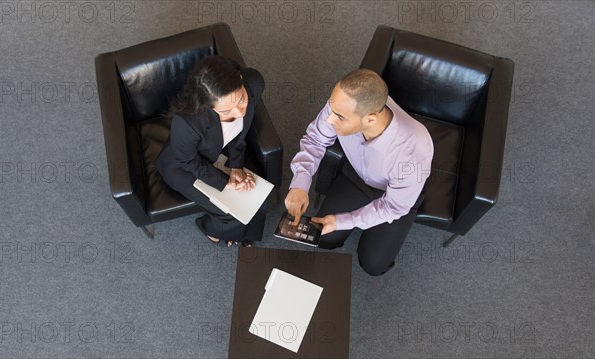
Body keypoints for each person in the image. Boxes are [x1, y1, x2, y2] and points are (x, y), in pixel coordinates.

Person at [285, 69, 434, 276]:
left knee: (373, 265)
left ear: (370, 120)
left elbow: (392, 207)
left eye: (339, 118)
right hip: (356, 176)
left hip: (393, 197)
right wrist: (301, 182)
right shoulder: (341, 105)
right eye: (332, 108)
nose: (329, 120)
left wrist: (343, 221)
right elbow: (315, 140)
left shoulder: (413, 153)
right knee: (322, 237)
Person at [156, 55, 266, 247]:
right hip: (182, 166)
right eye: (226, 111)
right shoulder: (187, 123)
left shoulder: (254, 83)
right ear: (208, 107)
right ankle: (208, 228)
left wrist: (236, 166)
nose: (240, 112)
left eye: (241, 99)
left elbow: (240, 135)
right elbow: (189, 162)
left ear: (241, 79)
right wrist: (226, 182)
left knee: (256, 198)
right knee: (229, 213)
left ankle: (244, 236)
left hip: (216, 151)